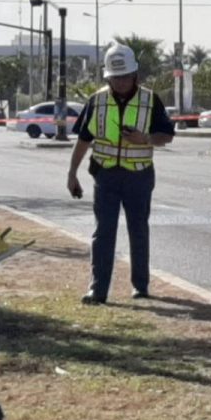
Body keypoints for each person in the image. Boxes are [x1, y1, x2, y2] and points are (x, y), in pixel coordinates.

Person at [67, 42, 175, 305]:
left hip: (139, 176)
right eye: (116, 77)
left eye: (125, 76)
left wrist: (145, 139)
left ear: (135, 75)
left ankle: (140, 286)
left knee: (138, 231)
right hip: (105, 176)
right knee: (103, 232)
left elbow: (167, 136)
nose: (121, 82)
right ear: (108, 77)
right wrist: (72, 173)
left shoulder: (150, 100)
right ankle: (98, 290)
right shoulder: (97, 101)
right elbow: (83, 139)